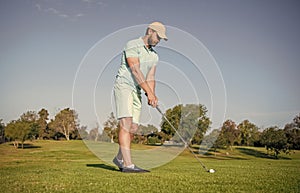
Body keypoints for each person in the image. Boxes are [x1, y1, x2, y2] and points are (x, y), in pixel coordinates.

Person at [112, 22, 168, 173]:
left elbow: (150, 76)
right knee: (126, 123)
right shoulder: (132, 44)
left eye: (161, 39)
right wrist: (148, 92)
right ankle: (128, 165)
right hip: (124, 86)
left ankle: (119, 158)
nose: (159, 41)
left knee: (133, 128)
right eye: (158, 37)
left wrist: (153, 95)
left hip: (137, 89)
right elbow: (135, 70)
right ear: (150, 31)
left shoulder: (154, 56)